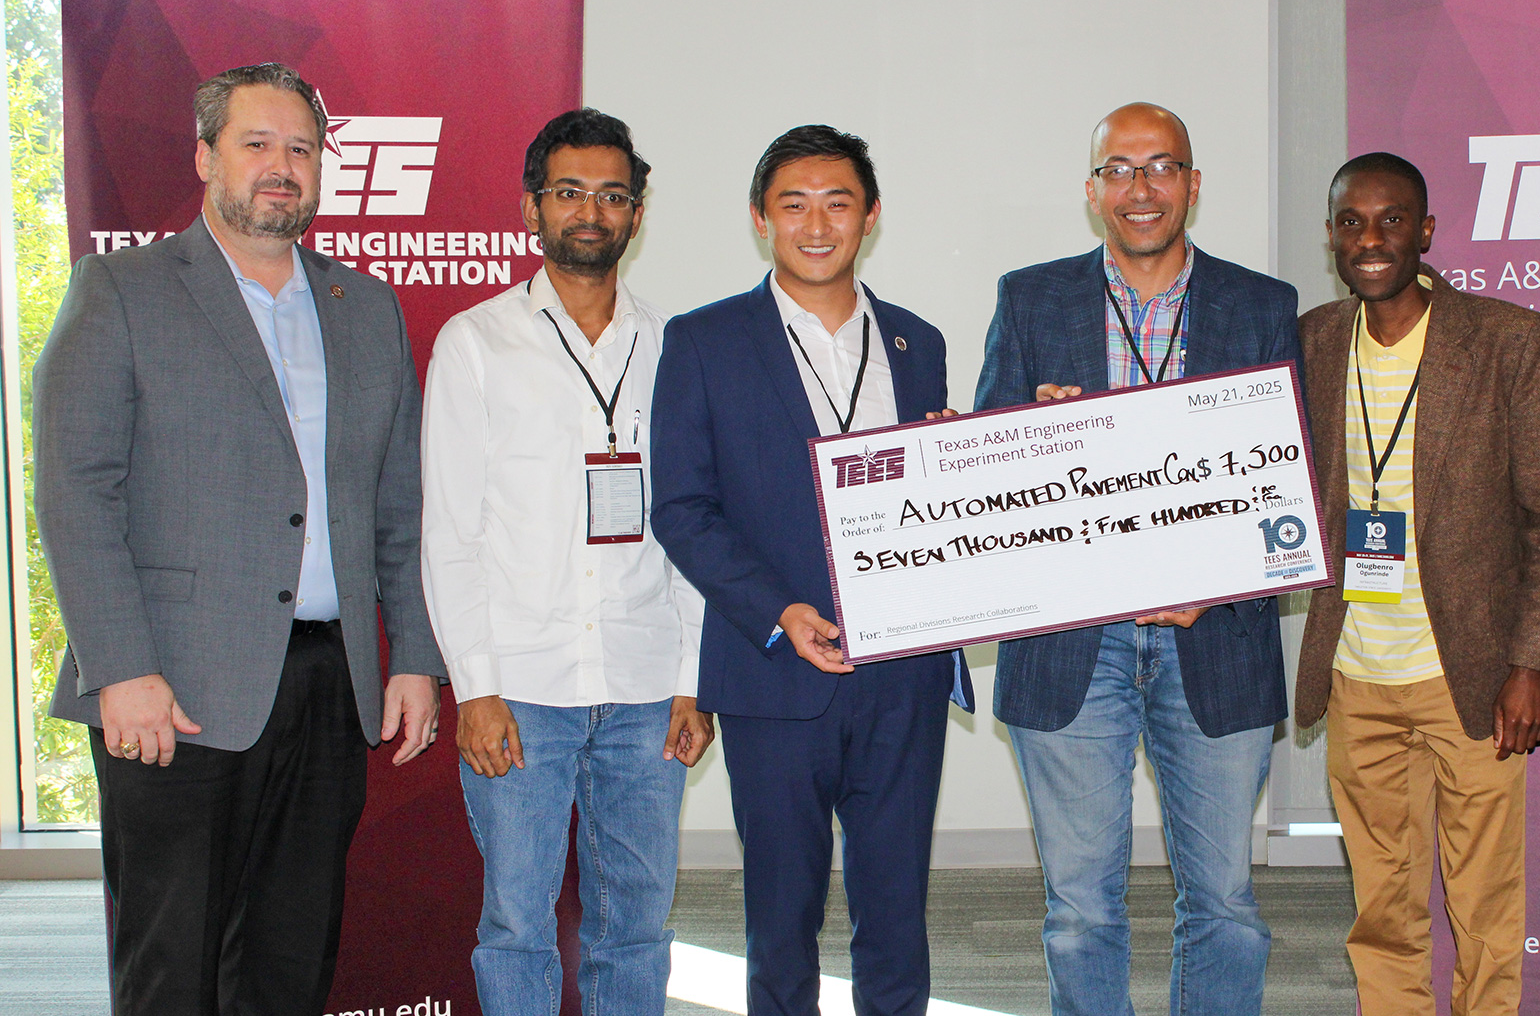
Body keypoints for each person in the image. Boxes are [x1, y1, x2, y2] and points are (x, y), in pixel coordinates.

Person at [33, 62, 442, 1015]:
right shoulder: (121, 290)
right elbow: (75, 492)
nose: (282, 166)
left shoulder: (365, 306)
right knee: (170, 963)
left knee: (290, 960)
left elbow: (399, 503)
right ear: (206, 157)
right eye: (257, 143)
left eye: (301, 148)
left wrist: (414, 657)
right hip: (170, 690)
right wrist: (119, 668)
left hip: (326, 689)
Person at [972, 103, 1298, 1016]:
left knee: (1226, 903)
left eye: (1161, 168)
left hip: (1216, 638)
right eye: (1119, 169)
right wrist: (1036, 432)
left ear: (1194, 185)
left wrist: (1220, 582)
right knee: (1080, 907)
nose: (1140, 188)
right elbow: (986, 466)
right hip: (1078, 641)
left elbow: (1289, 480)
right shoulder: (1031, 297)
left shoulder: (1261, 305)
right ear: (1091, 191)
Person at [651, 125, 973, 1016]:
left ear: (871, 216)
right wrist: (777, 609)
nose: (817, 223)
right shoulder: (705, 341)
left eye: (838, 202)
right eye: (793, 204)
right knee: (781, 924)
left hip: (902, 679)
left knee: (897, 917)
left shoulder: (918, 341)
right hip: (773, 675)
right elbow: (680, 507)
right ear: (762, 220)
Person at [421, 108, 712, 1015]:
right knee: (517, 926)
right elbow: (451, 530)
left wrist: (694, 679)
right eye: (571, 191)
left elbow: (697, 528)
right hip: (521, 690)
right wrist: (474, 687)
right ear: (531, 207)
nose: (592, 210)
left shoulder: (676, 350)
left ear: (637, 213)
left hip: (644, 686)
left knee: (638, 926)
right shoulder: (475, 343)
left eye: (613, 194)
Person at [1294, 153, 1540, 1016]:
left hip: (1476, 675)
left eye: (1392, 221)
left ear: (1426, 232)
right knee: (1381, 909)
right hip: (1356, 675)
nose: (1372, 239)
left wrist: (1532, 663)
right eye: (1353, 222)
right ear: (1333, 237)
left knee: (1485, 906)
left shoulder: (1507, 339)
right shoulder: (1312, 339)